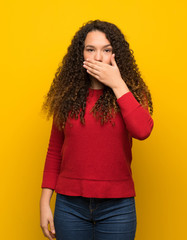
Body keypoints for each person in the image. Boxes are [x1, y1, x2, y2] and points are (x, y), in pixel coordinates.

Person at [39, 19, 154, 240]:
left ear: (116, 55)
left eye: (106, 50)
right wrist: (45, 203)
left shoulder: (131, 94)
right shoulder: (68, 97)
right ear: (80, 54)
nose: (98, 57)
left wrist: (118, 84)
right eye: (90, 49)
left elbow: (142, 131)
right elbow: (54, 151)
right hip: (70, 206)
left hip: (117, 208)